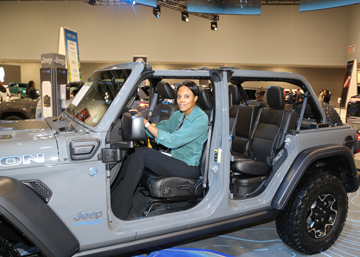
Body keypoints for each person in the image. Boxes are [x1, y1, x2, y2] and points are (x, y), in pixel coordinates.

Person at [111, 80, 209, 220]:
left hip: (188, 165)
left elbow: (173, 140)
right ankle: (111, 196)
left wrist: (147, 124)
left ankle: (119, 212)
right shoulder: (179, 115)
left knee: (142, 153)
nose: (181, 100)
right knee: (131, 152)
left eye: (186, 96)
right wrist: (141, 125)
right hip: (174, 157)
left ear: (196, 98)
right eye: (179, 96)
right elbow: (161, 128)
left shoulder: (201, 119)